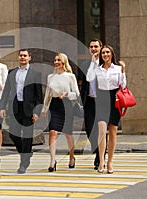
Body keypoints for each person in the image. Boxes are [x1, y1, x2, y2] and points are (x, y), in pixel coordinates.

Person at [0, 49, 43, 174]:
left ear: (30, 57)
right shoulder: (12, 73)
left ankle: (23, 163)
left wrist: (37, 112)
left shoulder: (35, 74)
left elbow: (38, 95)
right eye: (21, 55)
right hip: (14, 108)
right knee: (13, 134)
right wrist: (3, 107)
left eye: (25, 56)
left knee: (27, 136)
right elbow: (6, 91)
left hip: (29, 109)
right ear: (18, 57)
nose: (22, 57)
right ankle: (27, 153)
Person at [86, 45, 126, 174]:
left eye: (108, 52)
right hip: (101, 98)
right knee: (102, 130)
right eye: (103, 53)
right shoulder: (98, 69)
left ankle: (110, 162)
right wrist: (93, 62)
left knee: (113, 131)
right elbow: (89, 78)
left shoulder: (118, 68)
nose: (105, 55)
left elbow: (123, 85)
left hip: (115, 99)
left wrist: (124, 71)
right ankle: (101, 161)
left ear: (112, 54)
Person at [41, 53, 80, 172]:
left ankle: (72, 157)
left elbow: (76, 94)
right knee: (53, 132)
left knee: (68, 133)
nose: (56, 62)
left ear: (64, 62)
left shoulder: (70, 76)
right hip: (54, 106)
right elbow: (48, 94)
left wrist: (67, 94)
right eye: (55, 60)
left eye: (59, 60)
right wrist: (44, 108)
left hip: (67, 105)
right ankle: (52, 161)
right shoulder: (50, 77)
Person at [78, 39, 104, 170]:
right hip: (89, 102)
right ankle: (98, 152)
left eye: (96, 47)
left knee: (101, 130)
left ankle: (100, 158)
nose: (94, 49)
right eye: (91, 47)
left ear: (101, 48)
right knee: (90, 131)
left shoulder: (106, 64)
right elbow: (83, 84)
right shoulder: (85, 64)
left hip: (102, 103)